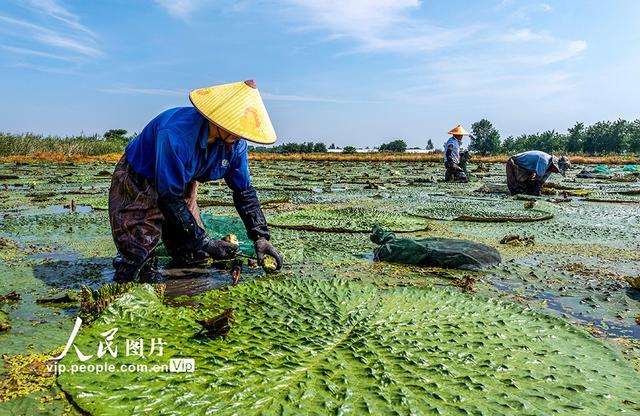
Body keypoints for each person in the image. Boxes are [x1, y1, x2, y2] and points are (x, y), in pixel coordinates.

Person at [108, 80, 283, 282]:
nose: (239, 135)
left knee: (193, 252)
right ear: (219, 119)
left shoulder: (236, 145)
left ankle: (182, 296)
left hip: (182, 183)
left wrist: (260, 236)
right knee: (137, 256)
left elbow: (244, 192)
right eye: (235, 128)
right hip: (140, 180)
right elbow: (168, 197)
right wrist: (206, 241)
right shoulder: (175, 134)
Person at [505, 150, 571, 196]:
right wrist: (537, 194)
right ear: (555, 165)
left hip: (526, 169)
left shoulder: (550, 169)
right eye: (557, 170)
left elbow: (541, 182)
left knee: (526, 188)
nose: (556, 172)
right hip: (514, 163)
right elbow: (537, 180)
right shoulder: (544, 161)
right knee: (516, 188)